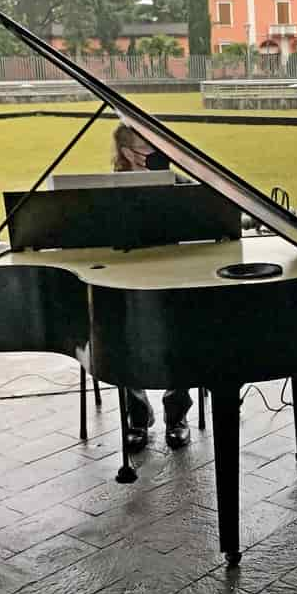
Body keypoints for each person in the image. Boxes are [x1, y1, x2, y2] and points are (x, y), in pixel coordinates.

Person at [111, 124, 194, 450]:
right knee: (116, 330)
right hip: (125, 274)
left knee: (183, 328)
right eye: (148, 152)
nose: (156, 158)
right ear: (128, 153)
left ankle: (177, 414)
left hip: (173, 273)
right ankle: (138, 415)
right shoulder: (107, 189)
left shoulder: (178, 183)